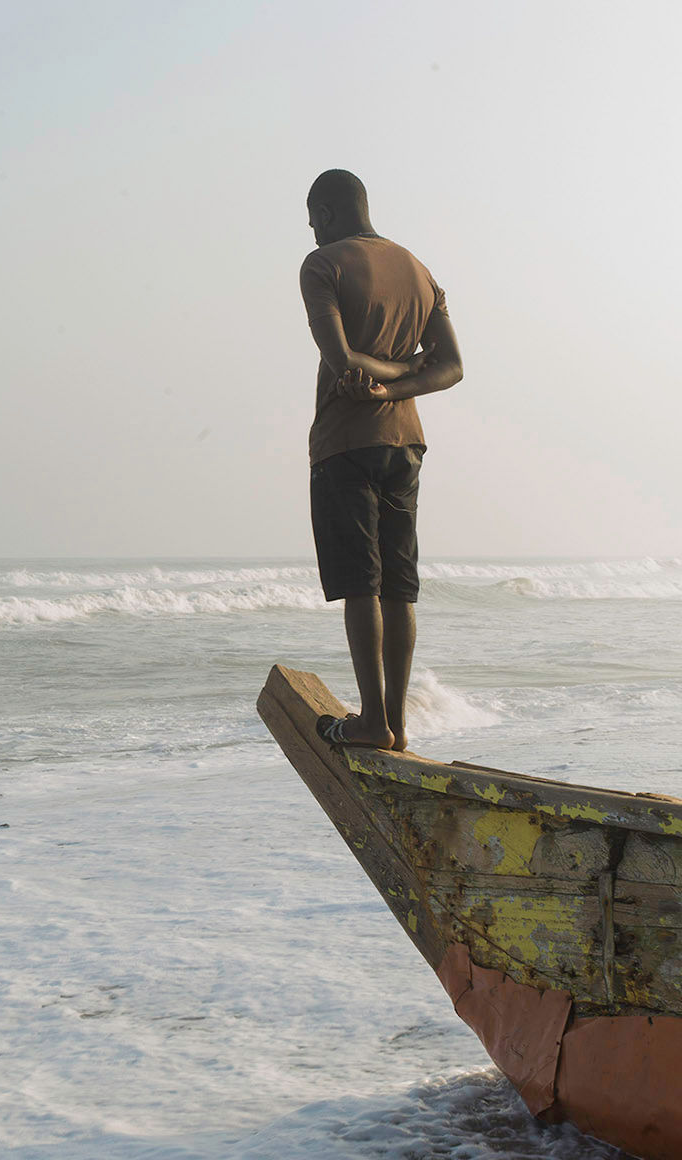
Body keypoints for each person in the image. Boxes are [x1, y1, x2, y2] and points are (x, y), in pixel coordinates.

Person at [299, 169, 462, 752]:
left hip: (345, 444)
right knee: (399, 588)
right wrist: (403, 377)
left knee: (360, 585)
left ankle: (371, 719)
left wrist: (376, 379)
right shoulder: (419, 270)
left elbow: (342, 360)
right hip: (405, 445)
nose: (312, 228)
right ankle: (395, 724)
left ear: (330, 210)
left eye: (313, 216)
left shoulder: (323, 266)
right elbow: (450, 367)